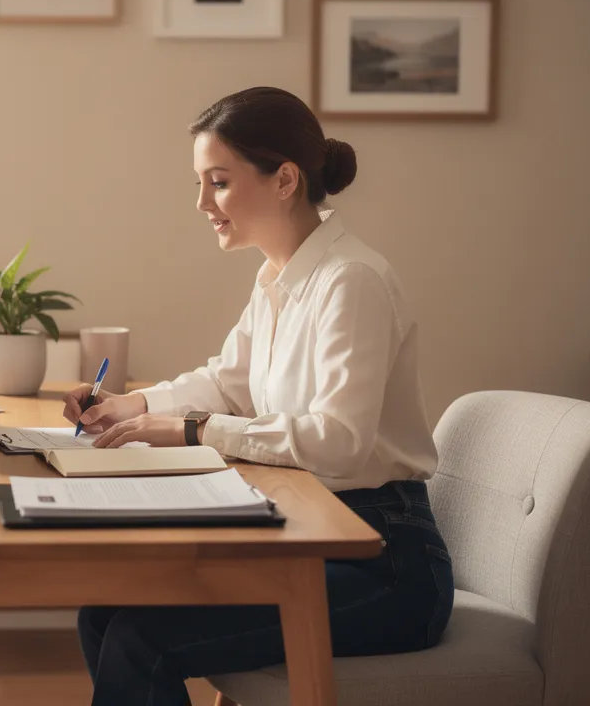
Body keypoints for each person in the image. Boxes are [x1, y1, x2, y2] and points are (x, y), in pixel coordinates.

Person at [64, 86, 454, 705]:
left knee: (142, 638)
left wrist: (194, 429)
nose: (201, 203)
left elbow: (342, 444)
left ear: (285, 180)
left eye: (217, 182)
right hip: (307, 531)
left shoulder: (351, 281)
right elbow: (229, 381)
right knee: (102, 614)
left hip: (384, 563)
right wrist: (133, 405)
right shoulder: (278, 275)